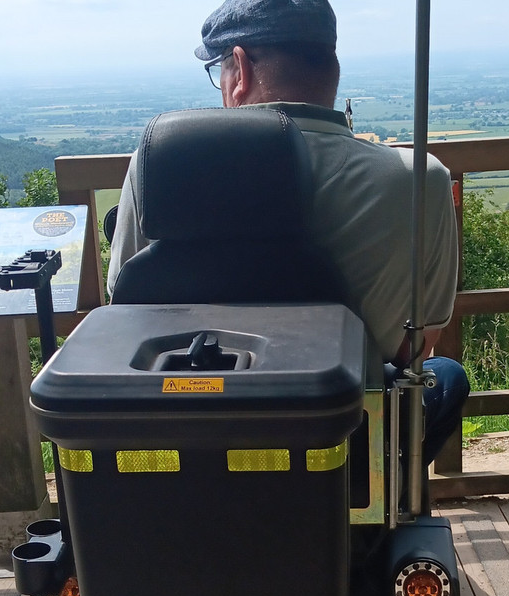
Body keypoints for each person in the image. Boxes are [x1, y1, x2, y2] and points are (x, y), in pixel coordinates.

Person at [108, 0, 469, 465]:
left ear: (239, 69)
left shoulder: (157, 165)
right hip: (336, 448)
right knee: (447, 376)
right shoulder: (420, 179)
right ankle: (377, 521)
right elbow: (413, 348)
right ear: (330, 65)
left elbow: (121, 316)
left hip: (184, 444)